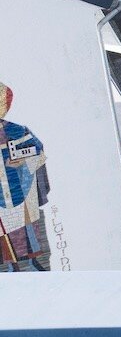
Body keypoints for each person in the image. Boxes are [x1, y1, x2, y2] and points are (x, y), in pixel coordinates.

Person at [0, 83, 51, 271]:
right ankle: (10, 268)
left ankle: (31, 264)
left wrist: (22, 162)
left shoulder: (18, 130)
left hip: (20, 189)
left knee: (25, 234)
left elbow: (38, 153)